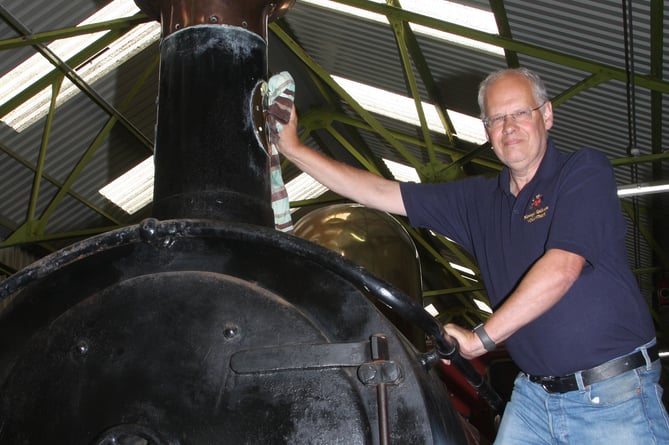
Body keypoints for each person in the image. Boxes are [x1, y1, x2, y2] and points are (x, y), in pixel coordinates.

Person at [270, 67, 669, 444]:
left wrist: (481, 339)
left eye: (520, 113)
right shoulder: (478, 201)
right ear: (486, 130)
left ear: (546, 115)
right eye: (497, 119)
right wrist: (293, 149)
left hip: (614, 394)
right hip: (535, 396)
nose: (509, 127)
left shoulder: (582, 171)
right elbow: (382, 193)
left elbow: (562, 268)